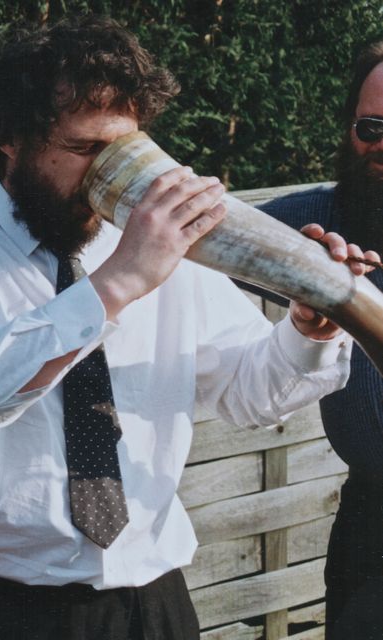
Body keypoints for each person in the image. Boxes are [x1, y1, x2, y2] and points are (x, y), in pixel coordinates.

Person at [0, 16, 372, 640]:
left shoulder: (158, 238)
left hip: (148, 607)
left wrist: (309, 328)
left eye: (125, 147)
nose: (110, 176)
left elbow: (252, 393)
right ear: (10, 136)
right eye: (85, 151)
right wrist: (117, 283)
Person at [243, 41, 383, 640]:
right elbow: (198, 240)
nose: (382, 145)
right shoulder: (319, 222)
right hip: (372, 518)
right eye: (371, 126)